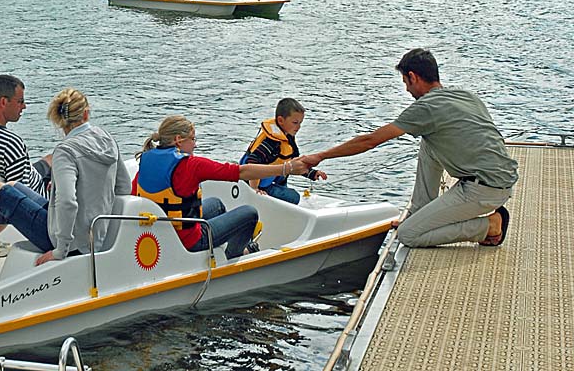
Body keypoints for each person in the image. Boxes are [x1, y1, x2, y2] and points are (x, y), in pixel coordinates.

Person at [303, 48, 518, 248]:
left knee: (409, 235)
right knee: (428, 141)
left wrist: (321, 156)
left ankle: (490, 226)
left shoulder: (425, 108)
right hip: (499, 179)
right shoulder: (465, 96)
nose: (406, 89)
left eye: (405, 82)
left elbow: (369, 141)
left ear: (413, 77)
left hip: (483, 190)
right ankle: (419, 212)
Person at [0, 88, 131, 287]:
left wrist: (60, 250)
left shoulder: (66, 150)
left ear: (59, 121)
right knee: (10, 186)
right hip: (93, 234)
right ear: (86, 114)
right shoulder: (107, 139)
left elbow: (67, 202)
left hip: (66, 240)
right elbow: (123, 188)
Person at [133, 115, 309, 259]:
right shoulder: (191, 165)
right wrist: (286, 168)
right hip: (190, 240)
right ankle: (236, 253)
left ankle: (223, 244)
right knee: (250, 213)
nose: (195, 144)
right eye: (193, 139)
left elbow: (135, 194)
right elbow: (240, 172)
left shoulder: (146, 159)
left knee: (216, 204)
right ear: (179, 140)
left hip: (162, 232)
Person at [241, 98, 327, 205]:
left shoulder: (288, 138)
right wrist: (254, 190)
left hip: (271, 180)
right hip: (252, 184)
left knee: (286, 189)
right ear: (281, 120)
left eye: (300, 123)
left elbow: (295, 163)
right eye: (295, 123)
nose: (298, 127)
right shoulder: (271, 142)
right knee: (293, 197)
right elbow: (252, 162)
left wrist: (312, 173)